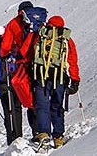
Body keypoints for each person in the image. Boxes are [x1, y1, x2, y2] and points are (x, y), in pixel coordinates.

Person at [21, 16, 80, 149]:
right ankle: (58, 137)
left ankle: (44, 134)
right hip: (59, 77)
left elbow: (24, 52)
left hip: (40, 75)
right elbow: (72, 60)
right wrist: (75, 80)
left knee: (42, 106)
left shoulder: (39, 34)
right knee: (57, 106)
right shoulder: (66, 39)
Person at [0, 1, 47, 142]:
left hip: (21, 67)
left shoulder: (13, 23)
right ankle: (39, 131)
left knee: (22, 100)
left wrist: (6, 54)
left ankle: (17, 136)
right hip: (40, 64)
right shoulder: (39, 20)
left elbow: (4, 48)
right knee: (39, 98)